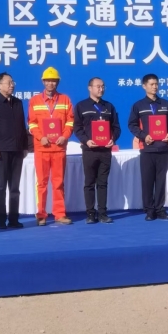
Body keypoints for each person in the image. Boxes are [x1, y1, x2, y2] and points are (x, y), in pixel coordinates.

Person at [128, 74, 168, 221]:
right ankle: (149, 210)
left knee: (161, 181)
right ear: (144, 86)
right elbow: (132, 125)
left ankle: (160, 209)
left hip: (163, 148)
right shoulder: (138, 105)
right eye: (151, 84)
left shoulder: (166, 104)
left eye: (156, 84)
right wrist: (144, 136)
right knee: (147, 181)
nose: (155, 87)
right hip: (147, 149)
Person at [27, 67, 74, 226]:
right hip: (42, 148)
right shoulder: (35, 101)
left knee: (58, 183)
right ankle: (41, 214)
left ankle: (59, 214)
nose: (50, 83)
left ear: (57, 82)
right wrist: (41, 137)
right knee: (42, 183)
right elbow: (32, 123)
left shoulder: (65, 100)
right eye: (47, 80)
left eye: (53, 80)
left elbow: (70, 121)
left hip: (59, 148)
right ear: (43, 82)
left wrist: (64, 136)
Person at [0, 72, 28, 229]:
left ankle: (14, 218)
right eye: (8, 83)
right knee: (0, 187)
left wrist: (24, 146)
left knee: (14, 188)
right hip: (0, 152)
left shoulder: (18, 103)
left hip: (17, 151)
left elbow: (22, 126)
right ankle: (1, 219)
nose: (12, 85)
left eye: (12, 82)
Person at [74, 77, 121, 224]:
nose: (101, 89)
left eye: (103, 86)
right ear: (90, 88)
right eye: (98, 86)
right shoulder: (81, 106)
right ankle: (90, 213)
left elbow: (116, 127)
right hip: (89, 150)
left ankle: (102, 213)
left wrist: (113, 139)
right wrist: (86, 140)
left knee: (102, 183)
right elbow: (77, 128)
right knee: (89, 183)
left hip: (105, 151)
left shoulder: (109, 106)